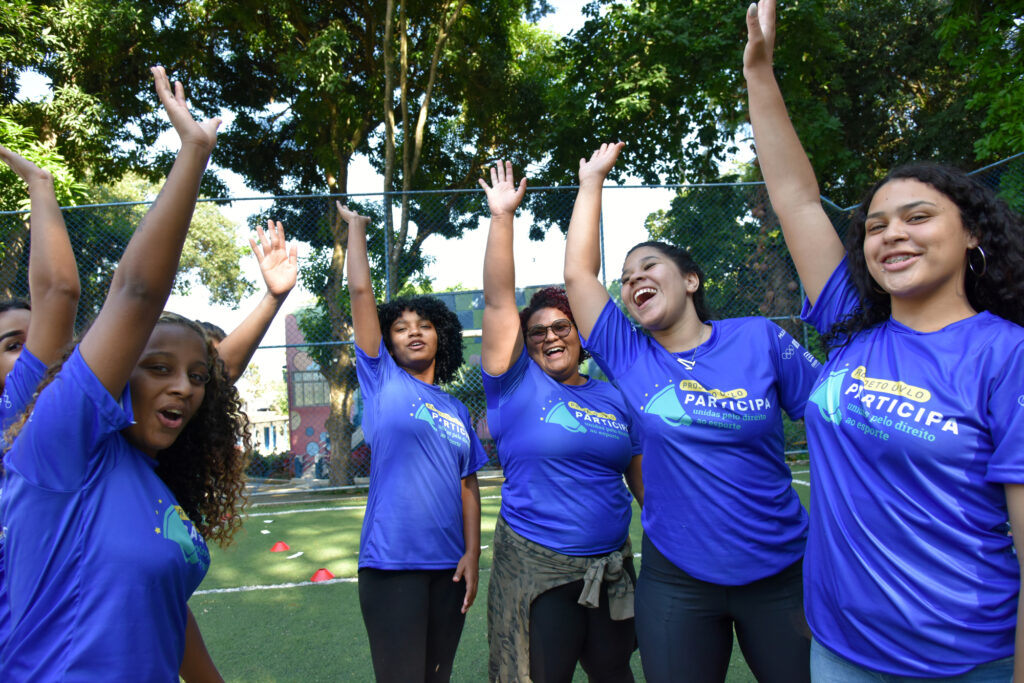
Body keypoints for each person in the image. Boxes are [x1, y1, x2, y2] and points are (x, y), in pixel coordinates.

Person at [744, 1, 1024, 680]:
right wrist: (759, 73)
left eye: (918, 216)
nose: (892, 232)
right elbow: (796, 197)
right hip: (841, 651)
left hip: (965, 659)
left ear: (973, 235)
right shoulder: (850, 327)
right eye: (875, 224)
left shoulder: (1005, 354)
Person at [0, 66, 248, 681]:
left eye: (194, 377)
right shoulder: (58, 446)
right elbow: (129, 293)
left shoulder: (151, 478)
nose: (183, 387)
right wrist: (193, 154)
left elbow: (165, 608)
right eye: (157, 367)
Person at [563, 142, 821, 683]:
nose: (633, 281)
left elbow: (829, 424)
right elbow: (580, 279)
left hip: (781, 572)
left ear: (690, 279)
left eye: (648, 267)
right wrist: (591, 184)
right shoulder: (630, 353)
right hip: (677, 577)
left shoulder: (759, 338)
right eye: (628, 277)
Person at [478, 161, 643, 682]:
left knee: (615, 674)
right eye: (537, 332)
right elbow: (499, 300)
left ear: (581, 332)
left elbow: (645, 487)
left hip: (613, 567)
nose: (550, 336)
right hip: (539, 572)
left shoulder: (615, 398)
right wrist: (502, 217)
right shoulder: (515, 385)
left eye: (562, 325)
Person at [341, 201, 487, 682]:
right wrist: (357, 230)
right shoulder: (381, 378)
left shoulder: (457, 410)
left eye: (423, 325)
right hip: (392, 564)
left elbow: (469, 486)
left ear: (441, 337)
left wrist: (473, 555)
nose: (413, 333)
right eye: (400, 328)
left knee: (436, 677)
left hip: (449, 567)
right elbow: (361, 291)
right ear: (388, 341)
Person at [0, 143, 81, 665]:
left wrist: (40, 186)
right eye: (13, 346)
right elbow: (56, 292)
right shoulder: (9, 411)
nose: (34, 353)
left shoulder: (85, 414)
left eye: (38, 340)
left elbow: (58, 292)